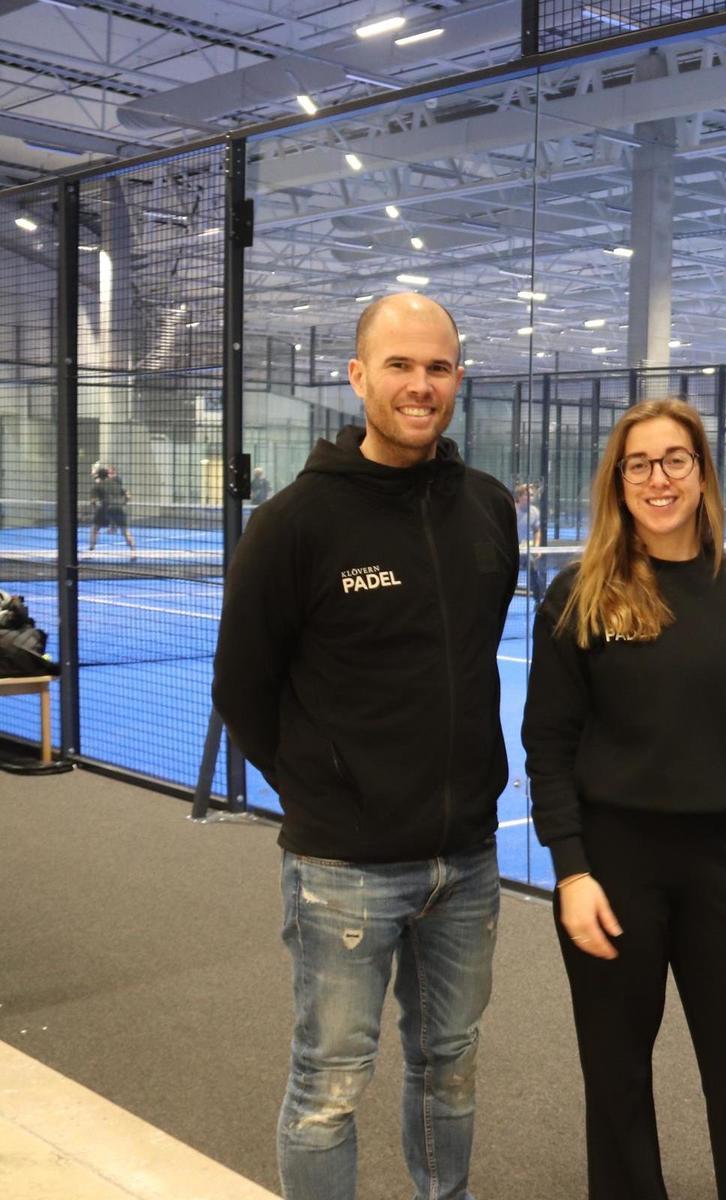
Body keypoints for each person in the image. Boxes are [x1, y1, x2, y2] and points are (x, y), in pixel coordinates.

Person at [212, 292, 517, 1200]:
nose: (420, 385)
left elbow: (473, 649)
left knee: (450, 1066)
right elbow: (242, 691)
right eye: (399, 365)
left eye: (437, 367)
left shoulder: (489, 511)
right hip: (344, 866)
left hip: (465, 859)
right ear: (356, 377)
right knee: (330, 1087)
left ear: (457, 378)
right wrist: (329, 788)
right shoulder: (295, 525)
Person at [522, 397, 726, 1200]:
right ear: (619, 483)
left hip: (723, 865)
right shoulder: (578, 595)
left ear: (701, 474)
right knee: (617, 1078)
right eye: (639, 464)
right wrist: (571, 873)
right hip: (612, 868)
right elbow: (547, 748)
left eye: (674, 461)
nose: (659, 478)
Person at [86, 463, 135, 554]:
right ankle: (133, 551)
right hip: (119, 507)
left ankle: (91, 548)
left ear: (98, 476)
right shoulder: (116, 484)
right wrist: (123, 503)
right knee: (125, 530)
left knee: (95, 529)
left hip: (106, 507)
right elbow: (128, 495)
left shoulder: (97, 486)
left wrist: (95, 511)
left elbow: (93, 501)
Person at [515, 482, 547, 605]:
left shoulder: (534, 512)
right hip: (508, 550)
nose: (530, 497)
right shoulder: (511, 509)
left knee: (533, 569)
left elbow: (537, 530)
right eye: (527, 495)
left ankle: (538, 601)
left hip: (523, 550)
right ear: (519, 496)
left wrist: (536, 547)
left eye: (532, 495)